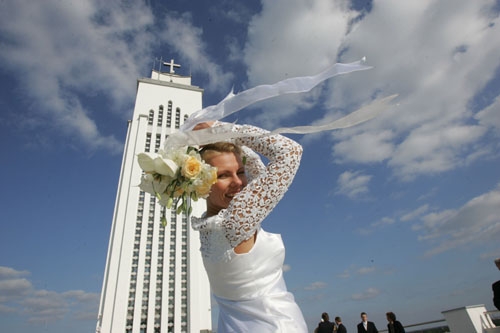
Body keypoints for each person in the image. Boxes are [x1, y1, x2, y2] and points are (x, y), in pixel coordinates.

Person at [191, 122, 307, 332]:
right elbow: (291, 151)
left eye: (240, 171)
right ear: (200, 183)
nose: (238, 182)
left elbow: (257, 175)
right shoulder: (235, 220)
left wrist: (233, 145)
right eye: (223, 175)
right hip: (274, 325)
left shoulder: (208, 226)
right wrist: (220, 128)